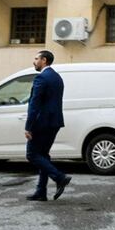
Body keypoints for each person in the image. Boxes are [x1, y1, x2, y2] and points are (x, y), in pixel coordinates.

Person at [24, 50, 71, 202]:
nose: (34, 61)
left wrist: (28, 126)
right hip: (54, 122)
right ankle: (41, 192)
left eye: (36, 58)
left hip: (41, 123)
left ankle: (59, 177)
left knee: (32, 154)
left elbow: (34, 104)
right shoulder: (57, 77)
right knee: (43, 155)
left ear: (44, 60)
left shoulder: (41, 78)